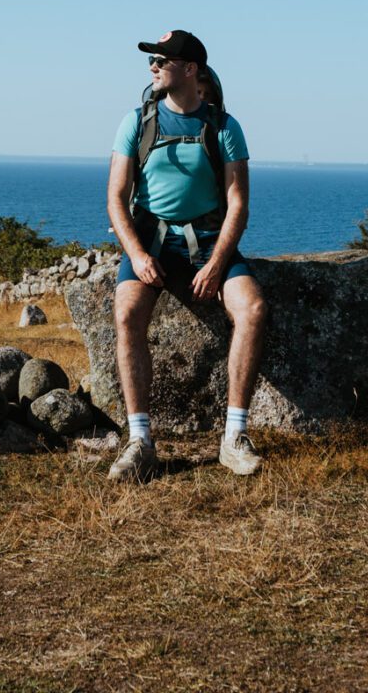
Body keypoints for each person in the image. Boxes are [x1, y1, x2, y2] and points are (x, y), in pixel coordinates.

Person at [105, 29, 268, 482]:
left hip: (211, 241)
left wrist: (217, 263)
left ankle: (234, 437)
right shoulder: (135, 122)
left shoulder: (224, 126)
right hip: (151, 243)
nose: (153, 67)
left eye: (162, 60)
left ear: (191, 69)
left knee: (252, 309)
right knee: (127, 314)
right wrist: (136, 255)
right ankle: (140, 442)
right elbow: (116, 199)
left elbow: (238, 204)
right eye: (151, 62)